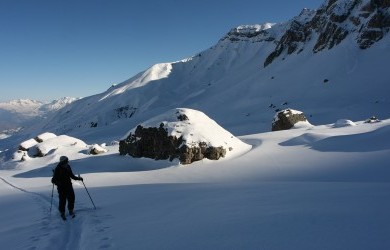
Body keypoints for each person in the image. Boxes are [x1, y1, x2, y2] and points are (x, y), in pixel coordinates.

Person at [51, 156, 83, 220]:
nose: (67, 163)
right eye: (66, 161)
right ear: (63, 162)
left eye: (67, 161)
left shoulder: (68, 167)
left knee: (71, 198)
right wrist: (58, 183)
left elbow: (72, 176)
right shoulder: (58, 169)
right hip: (61, 188)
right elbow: (53, 180)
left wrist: (78, 178)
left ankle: (70, 210)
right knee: (62, 200)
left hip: (69, 186)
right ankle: (62, 212)